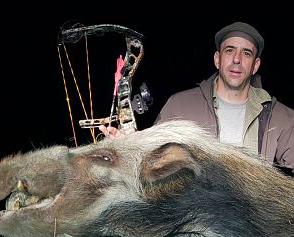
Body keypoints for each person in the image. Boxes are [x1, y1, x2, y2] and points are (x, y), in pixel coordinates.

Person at [100, 22, 294, 174]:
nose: (237, 59)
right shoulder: (179, 105)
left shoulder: (281, 117)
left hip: (253, 222)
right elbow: (154, 163)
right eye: (229, 50)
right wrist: (131, 145)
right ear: (217, 59)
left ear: (255, 65)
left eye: (246, 53)